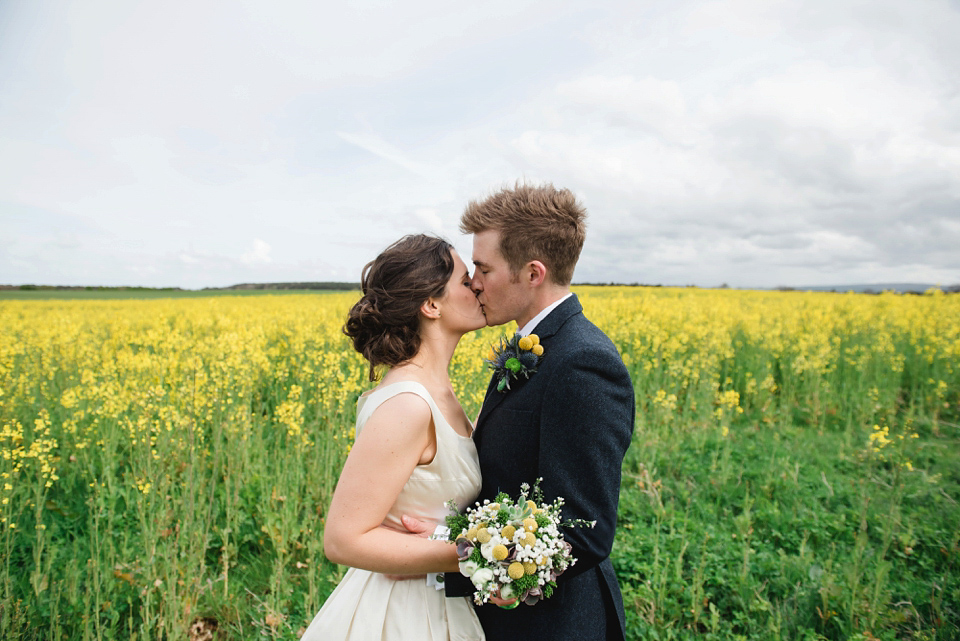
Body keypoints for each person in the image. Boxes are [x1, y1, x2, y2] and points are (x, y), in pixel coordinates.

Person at [404, 184, 635, 640]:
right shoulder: (540, 343)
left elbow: (583, 528)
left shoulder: (582, 363)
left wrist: (463, 554)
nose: (473, 282)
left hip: (553, 624)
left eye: (485, 268)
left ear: (532, 273)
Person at [301, 234, 487, 641]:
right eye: (464, 279)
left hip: (438, 599)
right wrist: (477, 553)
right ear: (431, 304)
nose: (476, 286)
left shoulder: (437, 392)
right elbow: (343, 539)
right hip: (403, 614)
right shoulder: (408, 404)